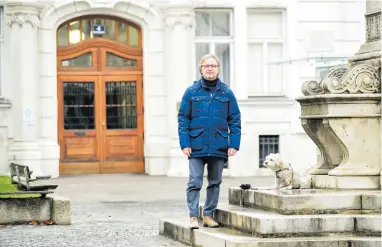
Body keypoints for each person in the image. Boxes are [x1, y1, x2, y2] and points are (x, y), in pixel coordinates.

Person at [177, 54, 241, 229]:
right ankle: (192, 217)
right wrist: (185, 143)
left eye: (213, 66)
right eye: (207, 66)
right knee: (195, 181)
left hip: (218, 144)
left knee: (214, 182)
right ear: (201, 69)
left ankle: (208, 215)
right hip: (196, 144)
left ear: (218, 69)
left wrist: (234, 143)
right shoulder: (191, 92)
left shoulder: (226, 92)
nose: (210, 68)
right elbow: (183, 118)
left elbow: (234, 118)